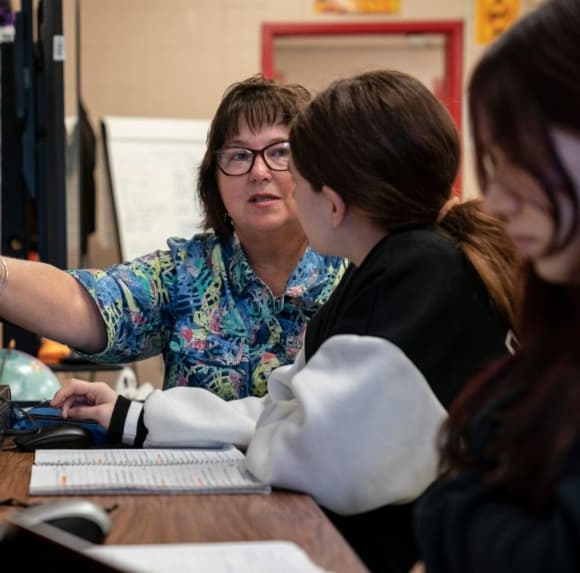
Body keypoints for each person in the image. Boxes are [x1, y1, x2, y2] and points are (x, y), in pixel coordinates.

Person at [51, 70, 520, 573]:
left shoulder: (412, 274)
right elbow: (285, 407)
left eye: (293, 171)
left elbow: (309, 453)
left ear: (332, 202)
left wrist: (278, 429)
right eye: (239, 157)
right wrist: (138, 416)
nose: (272, 179)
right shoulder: (396, 267)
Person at [0, 75, 346, 400]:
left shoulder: (357, 272)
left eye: (280, 152)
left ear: (313, 170)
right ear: (215, 183)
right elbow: (85, 301)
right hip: (201, 504)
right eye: (238, 156)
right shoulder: (188, 274)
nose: (259, 171)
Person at [413, 0, 580, 570]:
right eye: (494, 164)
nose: (500, 202)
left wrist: (452, 514)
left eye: (520, 159)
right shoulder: (555, 314)